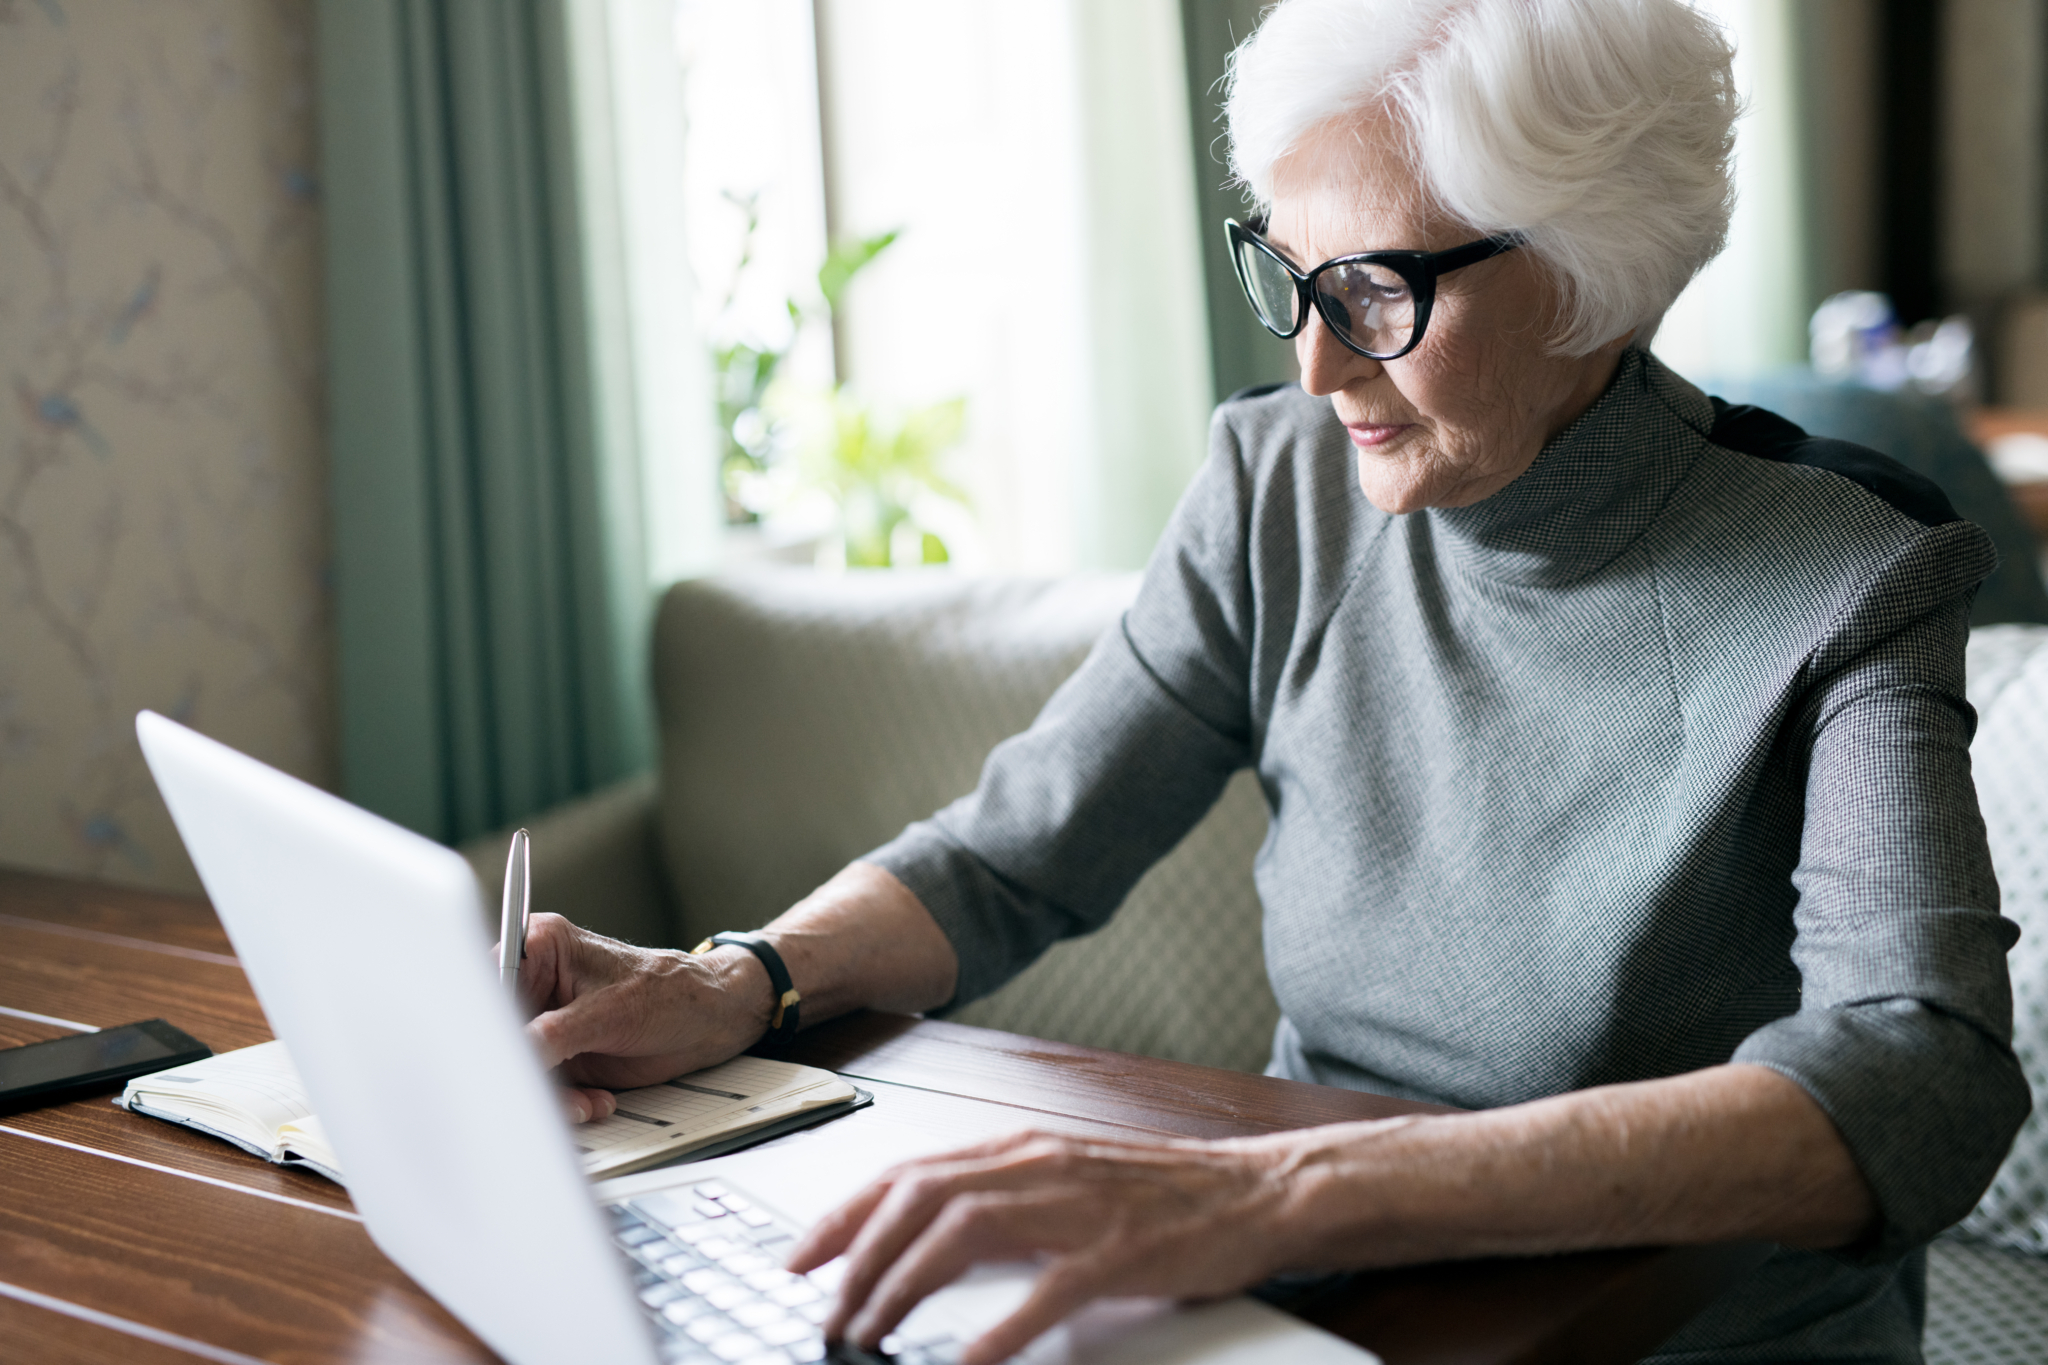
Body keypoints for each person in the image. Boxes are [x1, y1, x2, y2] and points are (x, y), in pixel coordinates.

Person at [516, 1, 2029, 1360]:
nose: (1315, 366)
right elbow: (1014, 848)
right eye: (1289, 276)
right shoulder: (1275, 488)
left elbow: (1917, 1076)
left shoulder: (1855, 574)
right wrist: (740, 978)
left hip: (1667, 1335)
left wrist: (1270, 1192)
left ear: (1590, 275)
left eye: (1374, 291)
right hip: (1320, 1300)